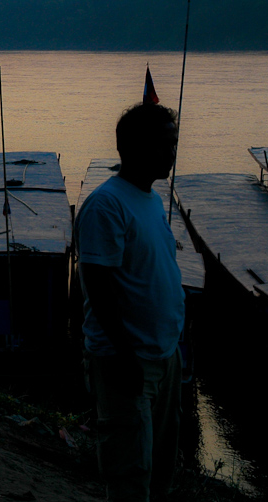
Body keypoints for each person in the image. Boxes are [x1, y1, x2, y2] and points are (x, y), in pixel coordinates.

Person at [74, 102, 185, 502]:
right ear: (135, 148)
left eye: (173, 144)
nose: (172, 153)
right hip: (127, 359)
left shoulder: (151, 200)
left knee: (160, 469)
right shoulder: (107, 205)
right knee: (130, 473)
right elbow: (97, 284)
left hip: (163, 357)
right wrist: (123, 355)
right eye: (165, 145)